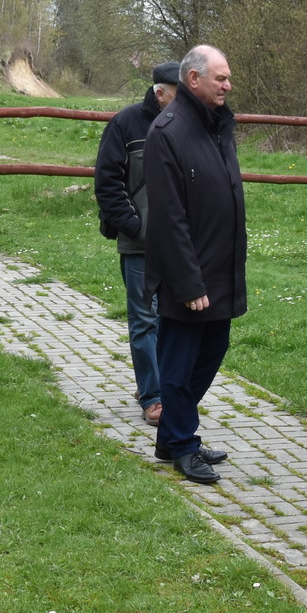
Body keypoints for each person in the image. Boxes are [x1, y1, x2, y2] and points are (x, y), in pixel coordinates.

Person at [144, 44, 245, 484]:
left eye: (227, 77)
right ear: (193, 80)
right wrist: (188, 283)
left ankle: (172, 433)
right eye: (220, 78)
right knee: (181, 362)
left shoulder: (217, 126)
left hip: (222, 270)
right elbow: (168, 218)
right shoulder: (168, 131)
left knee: (212, 352)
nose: (228, 85)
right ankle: (182, 445)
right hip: (190, 278)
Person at [95, 61, 181, 428]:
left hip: (179, 246)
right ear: (159, 93)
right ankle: (154, 397)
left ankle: (152, 382)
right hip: (140, 245)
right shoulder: (126, 123)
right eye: (178, 96)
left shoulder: (189, 124)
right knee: (145, 320)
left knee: (171, 319)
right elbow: (107, 183)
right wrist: (135, 226)